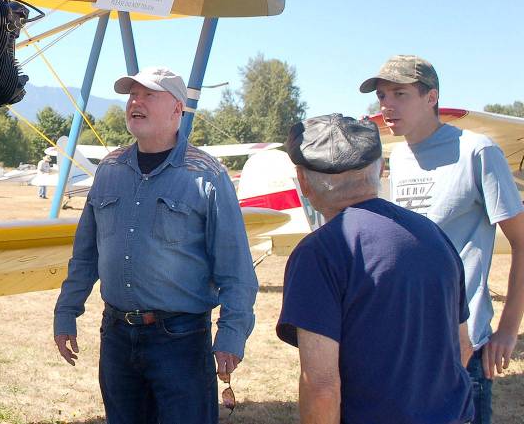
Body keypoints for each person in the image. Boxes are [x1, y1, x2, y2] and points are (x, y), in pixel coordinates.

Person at [52, 66, 257, 424]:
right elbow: (86, 254)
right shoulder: (110, 170)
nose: (136, 101)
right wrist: (66, 311)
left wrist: (231, 335)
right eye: (132, 95)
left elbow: (235, 268)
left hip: (180, 339)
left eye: (149, 94)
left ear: (178, 108)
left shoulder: (207, 176)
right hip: (116, 335)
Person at [277, 113, 474, 424]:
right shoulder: (432, 234)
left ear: (303, 181)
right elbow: (463, 347)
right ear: (380, 168)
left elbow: (321, 386)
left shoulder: (320, 253)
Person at [361, 55, 524, 424]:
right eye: (382, 94)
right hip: (408, 344)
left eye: (399, 93)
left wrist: (509, 330)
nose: (386, 104)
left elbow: (522, 242)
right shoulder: (398, 157)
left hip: (463, 350)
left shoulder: (477, 151)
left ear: (431, 97)